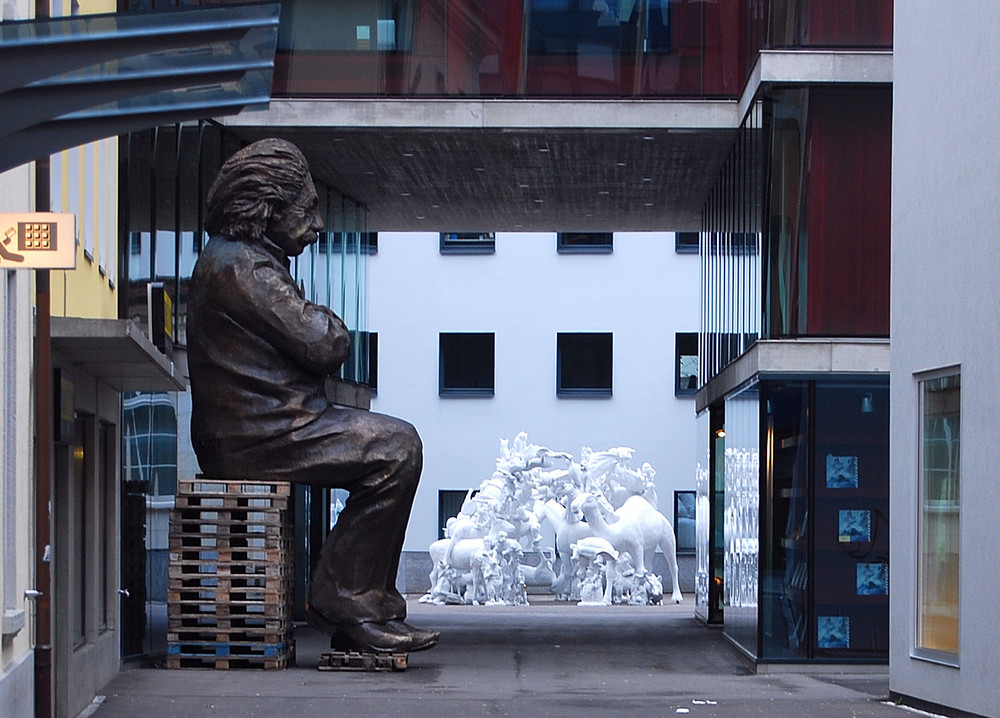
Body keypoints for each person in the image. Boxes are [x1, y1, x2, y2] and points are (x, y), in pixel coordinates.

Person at [186, 138, 438, 653]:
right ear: (270, 209)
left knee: (395, 446)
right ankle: (346, 599)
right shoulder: (243, 267)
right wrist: (330, 323)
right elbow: (324, 344)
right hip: (261, 433)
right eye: (307, 211)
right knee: (397, 448)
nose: (317, 226)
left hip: (268, 425)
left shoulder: (244, 262)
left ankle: (368, 603)